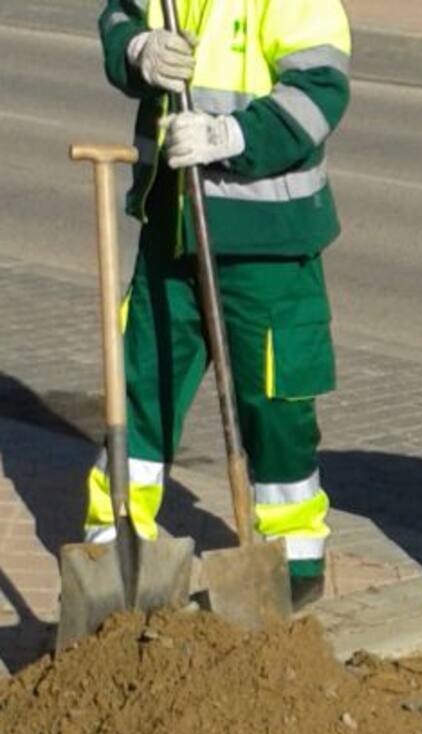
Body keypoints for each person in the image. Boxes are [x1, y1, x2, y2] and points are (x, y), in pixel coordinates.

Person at [90, 0, 352, 609]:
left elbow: (320, 92)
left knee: (275, 404)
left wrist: (229, 135)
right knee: (142, 387)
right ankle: (116, 535)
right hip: (171, 220)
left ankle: (294, 555)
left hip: (267, 236)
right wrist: (136, 51)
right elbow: (117, 16)